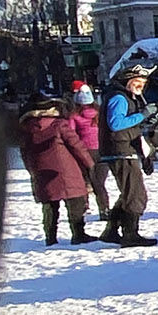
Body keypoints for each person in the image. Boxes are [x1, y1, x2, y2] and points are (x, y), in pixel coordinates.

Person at [16, 93, 96, 245]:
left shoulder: (27, 129)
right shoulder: (59, 125)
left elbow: (24, 153)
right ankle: (78, 233)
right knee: (75, 202)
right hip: (66, 172)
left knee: (49, 205)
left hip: (41, 172)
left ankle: (50, 237)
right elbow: (76, 146)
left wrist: (32, 170)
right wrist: (89, 163)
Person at [97, 64, 158, 246]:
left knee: (128, 192)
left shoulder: (127, 97)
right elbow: (116, 124)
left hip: (123, 149)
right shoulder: (119, 98)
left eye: (144, 83)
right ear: (128, 81)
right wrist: (142, 115)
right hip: (119, 151)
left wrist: (145, 121)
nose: (141, 86)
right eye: (138, 82)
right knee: (135, 194)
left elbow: (129, 127)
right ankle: (130, 233)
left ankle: (111, 230)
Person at [68, 81, 109, 227]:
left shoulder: (74, 116)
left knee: (84, 181)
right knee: (100, 184)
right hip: (103, 150)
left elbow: (71, 134)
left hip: (85, 151)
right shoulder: (100, 113)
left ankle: (84, 207)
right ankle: (104, 210)